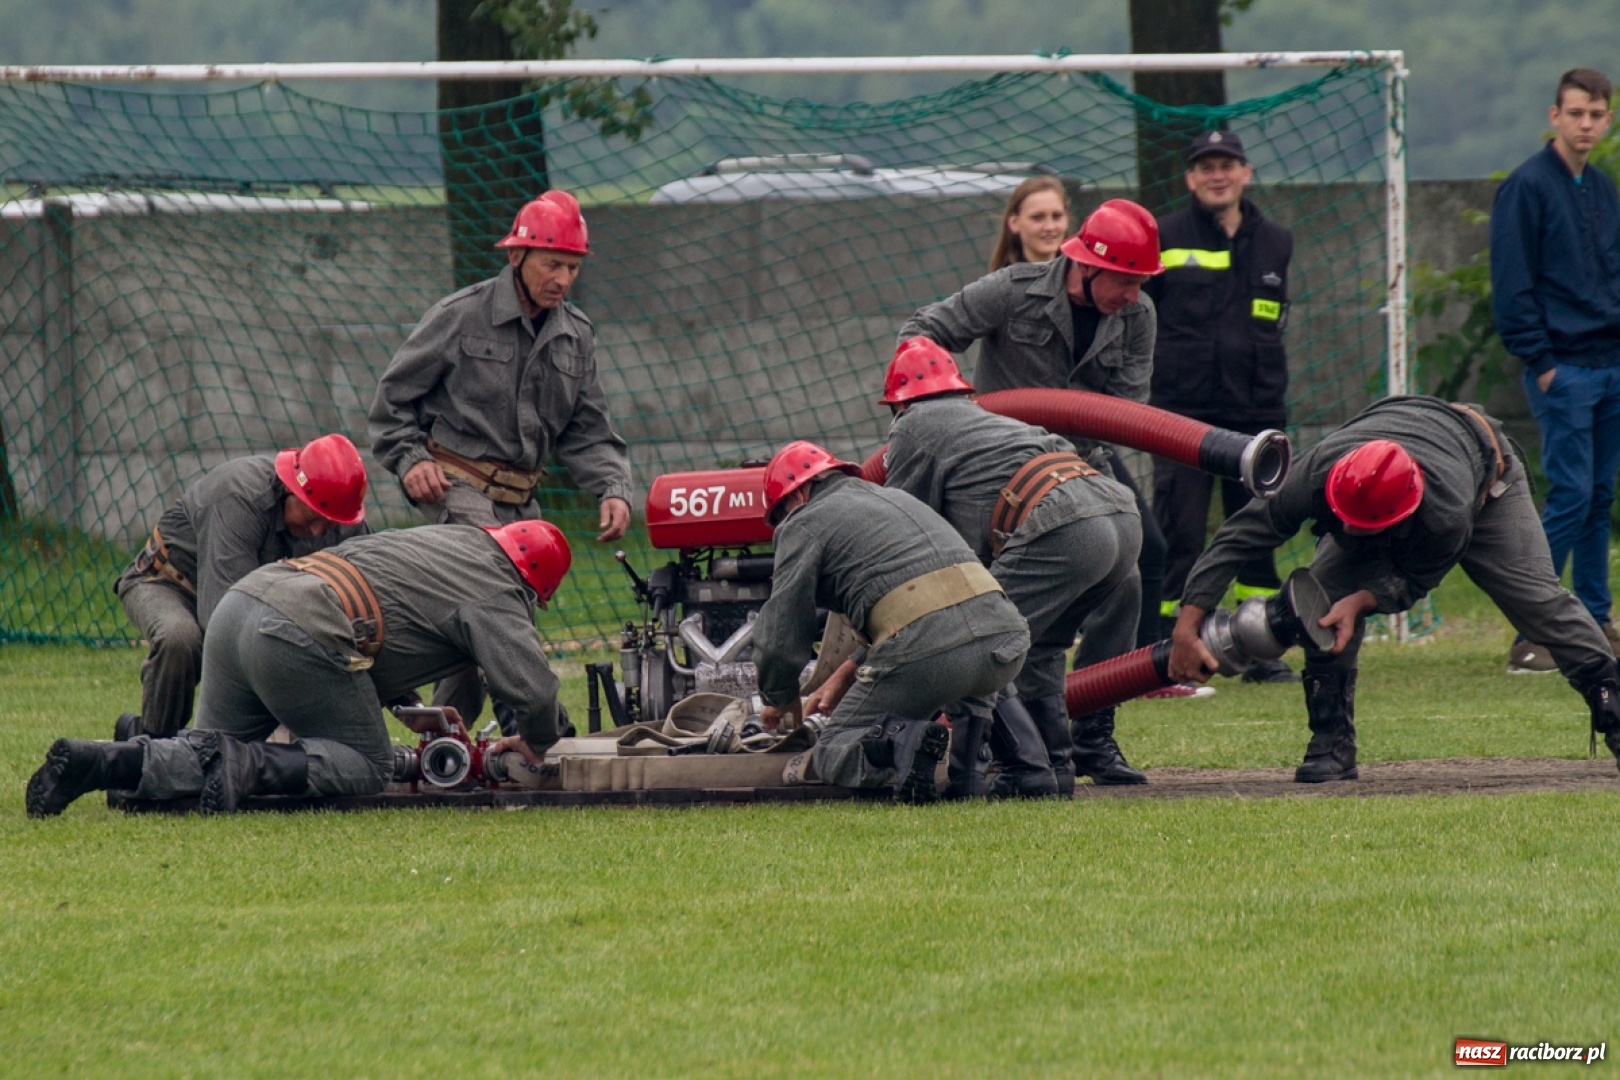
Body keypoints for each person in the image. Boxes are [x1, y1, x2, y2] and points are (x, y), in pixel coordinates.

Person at [1166, 395, 1620, 783]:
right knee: (1321, 601)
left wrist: (1365, 599)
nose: (1346, 531)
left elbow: (1417, 577)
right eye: (1343, 519)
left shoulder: (1446, 515)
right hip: (1410, 448)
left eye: (1361, 528)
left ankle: (1613, 710)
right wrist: (1188, 625)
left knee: (1539, 603)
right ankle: (1331, 743)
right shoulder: (1318, 471)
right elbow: (1239, 534)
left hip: (1488, 477)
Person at [27, 521, 572, 817]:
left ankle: (102, 763)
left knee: (201, 747)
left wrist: (412, 707)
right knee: (366, 763)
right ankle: (247, 766)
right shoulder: (498, 588)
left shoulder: (453, 542)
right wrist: (539, 741)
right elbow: (533, 688)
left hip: (244, 605)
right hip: (297, 630)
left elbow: (396, 614)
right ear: (534, 586)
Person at [369, 189, 633, 720]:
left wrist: (614, 488)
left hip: (522, 507)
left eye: (573, 268)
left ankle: (449, 746)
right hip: (456, 488)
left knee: (473, 627)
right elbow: (392, 402)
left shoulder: (575, 338)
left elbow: (589, 429)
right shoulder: (460, 316)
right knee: (492, 600)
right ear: (517, 257)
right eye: (552, 263)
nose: (562, 278)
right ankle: (537, 730)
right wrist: (411, 459)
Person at [899, 198, 1178, 689]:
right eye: (1126, 282)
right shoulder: (1012, 290)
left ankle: (1093, 723)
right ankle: (977, 710)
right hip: (998, 473)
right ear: (1088, 266)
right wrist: (950, 412)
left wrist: (1068, 420)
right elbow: (922, 334)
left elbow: (1127, 409)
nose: (1134, 297)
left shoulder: (1139, 317)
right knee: (972, 586)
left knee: (1125, 579)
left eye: (1141, 284)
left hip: (1084, 465)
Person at [878, 339, 1145, 793]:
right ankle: (1056, 772)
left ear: (899, 402)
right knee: (1037, 650)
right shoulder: (988, 421)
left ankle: (994, 775)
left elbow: (908, 541)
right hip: (1120, 514)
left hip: (1067, 525)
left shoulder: (914, 427)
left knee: (972, 641)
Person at [751, 440, 1031, 804]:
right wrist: (845, 674)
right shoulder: (896, 499)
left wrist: (779, 696)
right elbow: (923, 600)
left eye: (781, 513)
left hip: (933, 649)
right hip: (1005, 637)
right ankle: (985, 776)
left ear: (800, 494)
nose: (782, 524)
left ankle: (907, 744)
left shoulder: (804, 523)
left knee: (834, 750)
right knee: (972, 675)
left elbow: (781, 627)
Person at [1147, 129, 1298, 685]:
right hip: (1181, 417)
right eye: (1206, 167)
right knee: (1180, 534)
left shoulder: (1277, 242)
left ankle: (1262, 645)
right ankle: (1169, 652)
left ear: (1245, 173)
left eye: (1227, 165)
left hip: (1256, 416)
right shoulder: (1165, 236)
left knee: (1257, 530)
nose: (1217, 175)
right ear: (1190, 179)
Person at [112, 434, 371, 739]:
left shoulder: (343, 517)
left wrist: (406, 701)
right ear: (291, 490)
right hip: (167, 581)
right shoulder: (239, 495)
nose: (317, 531)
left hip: (255, 600)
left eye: (329, 524)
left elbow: (370, 601)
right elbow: (224, 622)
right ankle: (154, 746)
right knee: (179, 639)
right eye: (312, 515)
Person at [1490, 68, 1620, 674]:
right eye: (1576, 113)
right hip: (1561, 368)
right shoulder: (1526, 187)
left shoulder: (1603, 188)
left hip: (1609, 365)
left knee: (1598, 496)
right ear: (1554, 115)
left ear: (1608, 118)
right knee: (1567, 494)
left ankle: (1595, 619)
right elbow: (1513, 284)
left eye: (1596, 114)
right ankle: (1533, 631)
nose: (1586, 124)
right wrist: (1540, 363)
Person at [988, 176, 1071, 272]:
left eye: (1057, 216)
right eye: (1037, 218)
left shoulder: (1084, 280)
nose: (1049, 227)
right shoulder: (997, 284)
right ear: (1014, 223)